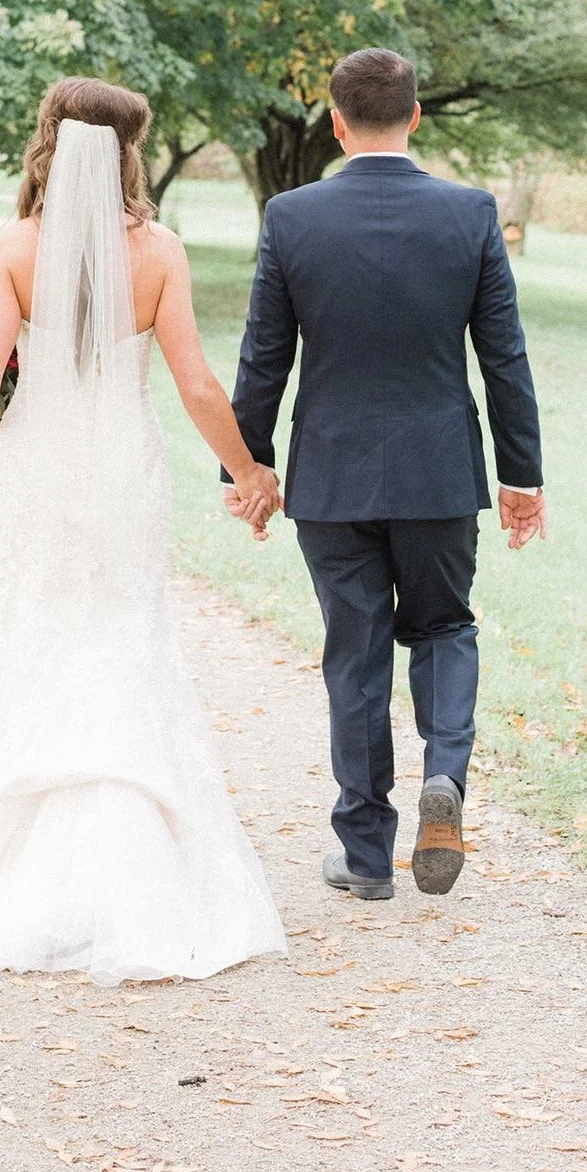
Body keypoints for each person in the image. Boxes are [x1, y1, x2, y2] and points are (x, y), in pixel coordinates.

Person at [0, 77, 287, 984]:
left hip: (41, 470)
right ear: (128, 154)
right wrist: (250, 472)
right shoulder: (161, 252)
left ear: (48, 146)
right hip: (122, 471)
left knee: (35, 628)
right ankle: (143, 872)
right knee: (122, 632)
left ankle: (13, 870)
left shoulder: (12, 247)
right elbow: (196, 385)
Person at [225, 47, 545, 900]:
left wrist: (247, 467)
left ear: (335, 122)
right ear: (415, 116)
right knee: (443, 627)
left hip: (332, 477)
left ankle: (367, 856)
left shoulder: (291, 216)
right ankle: (445, 774)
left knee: (356, 655)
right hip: (438, 472)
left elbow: (264, 355)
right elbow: (504, 357)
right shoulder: (469, 212)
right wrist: (521, 475)